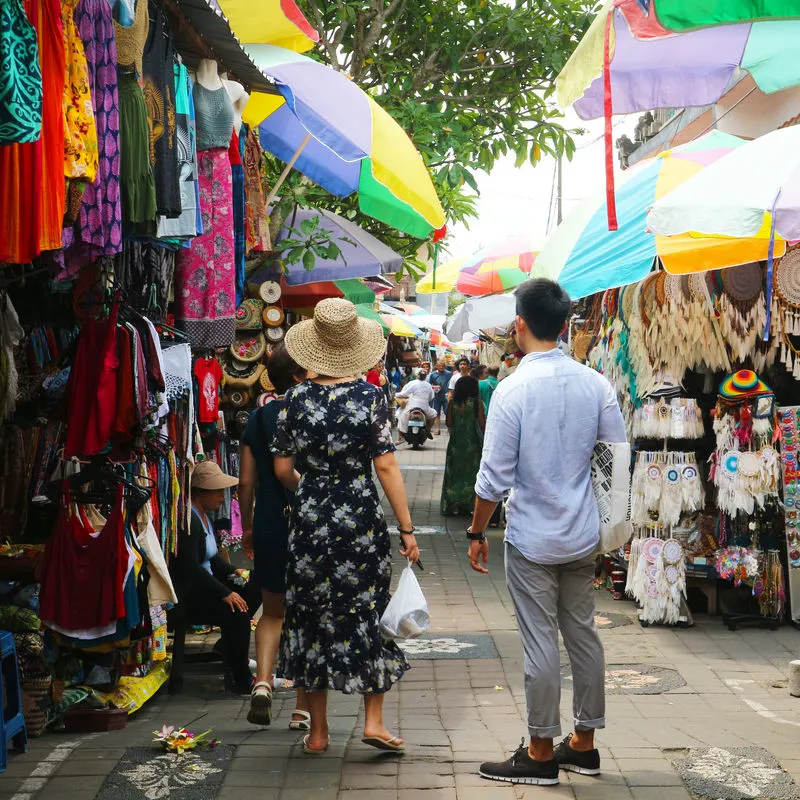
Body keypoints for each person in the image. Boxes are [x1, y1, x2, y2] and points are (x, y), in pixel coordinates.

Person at [467, 278, 626, 786]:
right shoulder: (595, 384)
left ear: (519, 325)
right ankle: (583, 743)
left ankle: (539, 751)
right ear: (564, 327)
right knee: (582, 634)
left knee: (540, 642)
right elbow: (614, 463)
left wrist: (476, 532)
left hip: (533, 538)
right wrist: (608, 531)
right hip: (581, 535)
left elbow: (493, 477)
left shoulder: (512, 389)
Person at [271, 298, 421, 755]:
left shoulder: (293, 399)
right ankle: (372, 721)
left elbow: (281, 469)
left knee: (311, 615)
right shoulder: (370, 397)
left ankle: (317, 733)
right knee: (366, 611)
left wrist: (313, 490)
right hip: (359, 516)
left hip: (311, 518)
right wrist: (407, 530)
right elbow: (388, 468)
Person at [239, 345, 310, 729]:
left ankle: (263, 681)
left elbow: (246, 480)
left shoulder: (260, 417)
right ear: (302, 374)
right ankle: (302, 709)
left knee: (272, 612)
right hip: (309, 519)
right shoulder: (314, 412)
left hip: (269, 520)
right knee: (308, 613)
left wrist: (248, 527)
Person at [170, 460, 262, 695]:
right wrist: (225, 592)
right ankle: (242, 676)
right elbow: (191, 567)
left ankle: (229, 647)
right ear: (201, 493)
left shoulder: (204, 516)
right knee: (238, 613)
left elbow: (212, 559)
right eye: (217, 492)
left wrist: (235, 573)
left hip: (207, 585)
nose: (222, 497)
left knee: (256, 588)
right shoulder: (189, 521)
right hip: (191, 595)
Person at [440, 375, 485, 516]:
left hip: (455, 443)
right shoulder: (477, 402)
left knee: (453, 473)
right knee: (472, 473)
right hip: (472, 444)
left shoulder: (453, 402)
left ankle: (453, 503)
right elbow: (483, 424)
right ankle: (468, 504)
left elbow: (449, 423)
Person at [396, 368, 436, 441]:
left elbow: (404, 393)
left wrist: (395, 394)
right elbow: (431, 397)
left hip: (412, 406)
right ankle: (428, 430)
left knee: (401, 415)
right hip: (425, 408)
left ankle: (400, 437)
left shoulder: (413, 383)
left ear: (417, 375)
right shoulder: (428, 385)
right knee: (434, 414)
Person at [428, 360, 453, 435]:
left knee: (447, 412)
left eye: (442, 366)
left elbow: (451, 383)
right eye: (439, 366)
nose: (441, 367)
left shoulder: (449, 374)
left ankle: (450, 428)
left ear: (444, 366)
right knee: (437, 413)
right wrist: (435, 386)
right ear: (436, 366)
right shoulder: (433, 374)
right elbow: (430, 385)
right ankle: (438, 429)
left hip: (446, 396)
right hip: (437, 396)